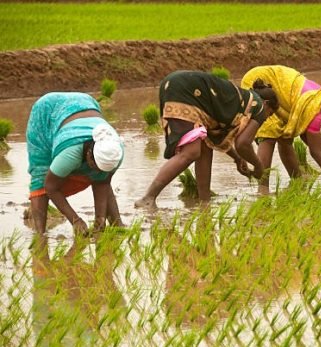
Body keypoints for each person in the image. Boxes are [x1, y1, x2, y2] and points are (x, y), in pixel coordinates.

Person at [135, 70, 278, 208]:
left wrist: (237, 159)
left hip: (176, 84)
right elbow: (243, 144)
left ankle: (204, 201)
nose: (265, 119)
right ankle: (148, 198)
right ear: (266, 104)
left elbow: (214, 139)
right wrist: (259, 167)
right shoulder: (258, 105)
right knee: (191, 152)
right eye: (269, 114)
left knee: (204, 147)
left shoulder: (238, 102)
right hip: (187, 90)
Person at [241, 65, 321, 193]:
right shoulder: (314, 109)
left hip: (282, 90)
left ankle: (297, 181)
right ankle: (263, 189)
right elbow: (316, 152)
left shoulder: (319, 100)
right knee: (269, 135)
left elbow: (309, 138)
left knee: (285, 138)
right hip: (262, 81)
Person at [27, 92, 124, 235]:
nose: (97, 170)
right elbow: (50, 186)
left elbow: (102, 183)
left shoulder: (116, 151)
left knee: (99, 176)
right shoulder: (70, 153)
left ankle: (117, 225)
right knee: (40, 175)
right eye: (95, 166)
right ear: (89, 154)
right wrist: (75, 220)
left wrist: (100, 219)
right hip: (47, 111)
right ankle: (40, 235)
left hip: (86, 102)